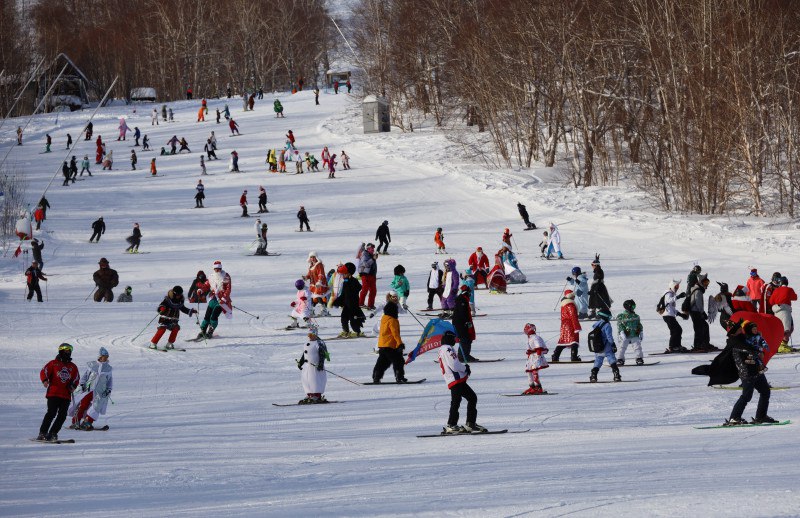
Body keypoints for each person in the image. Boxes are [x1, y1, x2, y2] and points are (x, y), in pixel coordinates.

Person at [725, 321, 777, 425]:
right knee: (746, 396)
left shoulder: (743, 338)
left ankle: (761, 416)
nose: (741, 330)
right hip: (747, 372)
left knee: (765, 391)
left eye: (741, 328)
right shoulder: (734, 341)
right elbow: (748, 348)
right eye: (739, 329)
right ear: (734, 332)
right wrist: (758, 350)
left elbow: (752, 344)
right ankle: (734, 418)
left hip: (756, 370)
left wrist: (757, 336)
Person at [438, 331, 486, 434]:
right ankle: (451, 424)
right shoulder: (448, 348)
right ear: (449, 338)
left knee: (471, 397)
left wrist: (464, 369)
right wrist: (465, 368)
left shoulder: (443, 349)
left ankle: (470, 423)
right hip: (455, 379)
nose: (455, 341)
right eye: (453, 338)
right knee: (457, 401)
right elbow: (454, 365)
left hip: (454, 379)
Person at [37, 343, 80, 441]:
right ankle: (43, 433)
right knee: (51, 413)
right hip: (54, 393)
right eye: (66, 350)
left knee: (62, 416)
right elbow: (44, 371)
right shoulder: (53, 363)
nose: (68, 352)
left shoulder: (73, 367)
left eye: (69, 351)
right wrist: (45, 380)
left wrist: (73, 386)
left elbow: (76, 378)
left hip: (66, 395)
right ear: (61, 351)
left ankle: (53, 433)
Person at [69, 347, 113, 430]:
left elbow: (109, 381)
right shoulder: (92, 365)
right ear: (100, 356)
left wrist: (109, 389)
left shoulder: (108, 368)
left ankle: (88, 422)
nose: (106, 358)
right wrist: (82, 384)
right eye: (104, 356)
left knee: (96, 407)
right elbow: (85, 376)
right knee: (83, 404)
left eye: (107, 357)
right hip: (89, 390)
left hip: (100, 392)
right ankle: (75, 421)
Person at [372, 291, 407, 383]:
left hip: (382, 345)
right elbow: (395, 333)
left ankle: (376, 376)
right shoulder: (393, 320)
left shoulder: (384, 319)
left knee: (382, 362)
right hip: (390, 345)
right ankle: (399, 376)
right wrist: (400, 344)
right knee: (399, 361)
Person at [149, 286, 197, 350]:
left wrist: (190, 311)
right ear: (174, 294)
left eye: (180, 295)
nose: (178, 296)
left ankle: (169, 344)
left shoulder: (180, 301)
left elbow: (183, 309)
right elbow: (162, 305)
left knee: (175, 328)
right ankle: (153, 343)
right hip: (165, 319)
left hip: (174, 320)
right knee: (162, 329)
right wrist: (161, 308)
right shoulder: (167, 300)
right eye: (177, 295)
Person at [197, 261, 232, 339]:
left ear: (221, 268)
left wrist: (224, 298)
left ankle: (211, 331)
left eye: (219, 268)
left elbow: (228, 289)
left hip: (222, 301)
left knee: (214, 316)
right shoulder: (211, 276)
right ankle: (203, 330)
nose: (217, 270)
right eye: (216, 269)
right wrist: (201, 290)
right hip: (213, 298)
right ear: (214, 269)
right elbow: (206, 285)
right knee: (207, 315)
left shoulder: (225, 276)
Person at [296, 323, 330, 404]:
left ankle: (316, 395)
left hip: (316, 366)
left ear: (315, 335)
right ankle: (309, 394)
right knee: (307, 380)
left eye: (311, 335)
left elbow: (322, 355)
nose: (309, 336)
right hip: (307, 367)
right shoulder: (306, 343)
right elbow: (304, 355)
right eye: (308, 335)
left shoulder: (319, 343)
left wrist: (320, 364)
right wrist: (300, 363)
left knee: (315, 380)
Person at [332, 263, 365, 338]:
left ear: (349, 274)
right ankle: (346, 331)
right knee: (343, 318)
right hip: (347, 305)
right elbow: (343, 294)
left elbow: (359, 287)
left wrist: (351, 283)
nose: (343, 275)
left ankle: (357, 332)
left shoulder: (354, 281)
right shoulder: (345, 282)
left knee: (354, 320)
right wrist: (337, 301)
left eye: (344, 274)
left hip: (353, 306)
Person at [589, 310, 621, 382]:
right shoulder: (607, 325)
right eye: (609, 317)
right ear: (606, 317)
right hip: (607, 347)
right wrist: (613, 344)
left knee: (598, 361)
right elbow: (609, 337)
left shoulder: (596, 324)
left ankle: (593, 375)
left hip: (598, 346)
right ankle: (616, 375)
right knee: (612, 360)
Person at [659, 279, 689, 353]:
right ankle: (673, 347)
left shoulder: (671, 294)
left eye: (678, 286)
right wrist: (678, 297)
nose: (677, 288)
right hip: (667, 316)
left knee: (677, 330)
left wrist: (681, 315)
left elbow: (672, 308)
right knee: (676, 330)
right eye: (676, 286)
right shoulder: (668, 293)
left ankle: (677, 345)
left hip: (669, 315)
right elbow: (669, 300)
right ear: (672, 286)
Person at [688, 273, 716, 351]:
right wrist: (702, 312)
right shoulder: (698, 291)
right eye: (705, 282)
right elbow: (698, 302)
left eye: (707, 282)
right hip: (695, 312)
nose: (706, 284)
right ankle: (698, 345)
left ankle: (704, 343)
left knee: (704, 326)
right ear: (700, 282)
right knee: (699, 328)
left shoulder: (698, 289)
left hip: (696, 311)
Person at [552, 289, 582, 362]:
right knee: (574, 341)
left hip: (564, 325)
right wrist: (576, 327)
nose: (574, 297)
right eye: (573, 296)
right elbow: (573, 316)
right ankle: (574, 357)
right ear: (570, 296)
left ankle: (555, 356)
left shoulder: (563, 304)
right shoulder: (570, 304)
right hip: (571, 324)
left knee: (563, 340)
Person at [769, 276, 796, 353]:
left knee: (780, 329)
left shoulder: (776, 290)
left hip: (777, 311)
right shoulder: (789, 289)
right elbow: (795, 297)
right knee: (788, 329)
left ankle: (779, 345)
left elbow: (771, 301)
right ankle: (783, 346)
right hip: (785, 310)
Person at [452, 285, 477, 362]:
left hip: (462, 323)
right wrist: (467, 322)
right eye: (469, 293)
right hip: (460, 324)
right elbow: (462, 312)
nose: (470, 295)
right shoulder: (462, 300)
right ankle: (462, 356)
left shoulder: (463, 299)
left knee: (468, 338)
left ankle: (465, 354)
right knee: (465, 339)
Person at [522, 323, 549, 394]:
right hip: (531, 358)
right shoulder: (530, 338)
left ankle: (538, 387)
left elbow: (539, 347)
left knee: (534, 371)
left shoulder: (536, 338)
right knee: (529, 371)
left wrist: (538, 356)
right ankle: (532, 386)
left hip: (536, 357)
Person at [616, 299, 644, 366]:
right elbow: (620, 325)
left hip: (634, 334)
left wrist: (641, 331)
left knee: (637, 346)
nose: (634, 308)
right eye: (633, 306)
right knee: (622, 347)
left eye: (634, 306)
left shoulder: (636, 316)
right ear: (628, 307)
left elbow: (639, 324)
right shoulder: (621, 316)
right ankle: (620, 359)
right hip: (625, 334)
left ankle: (639, 358)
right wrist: (622, 332)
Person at [358, 243, 378, 309]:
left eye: (373, 249)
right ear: (368, 249)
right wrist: (373, 259)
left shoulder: (371, 255)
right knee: (365, 289)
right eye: (372, 249)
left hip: (372, 275)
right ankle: (360, 303)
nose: (373, 250)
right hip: (365, 275)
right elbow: (365, 264)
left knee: (373, 290)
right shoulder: (364, 254)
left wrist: (373, 258)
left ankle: (371, 305)